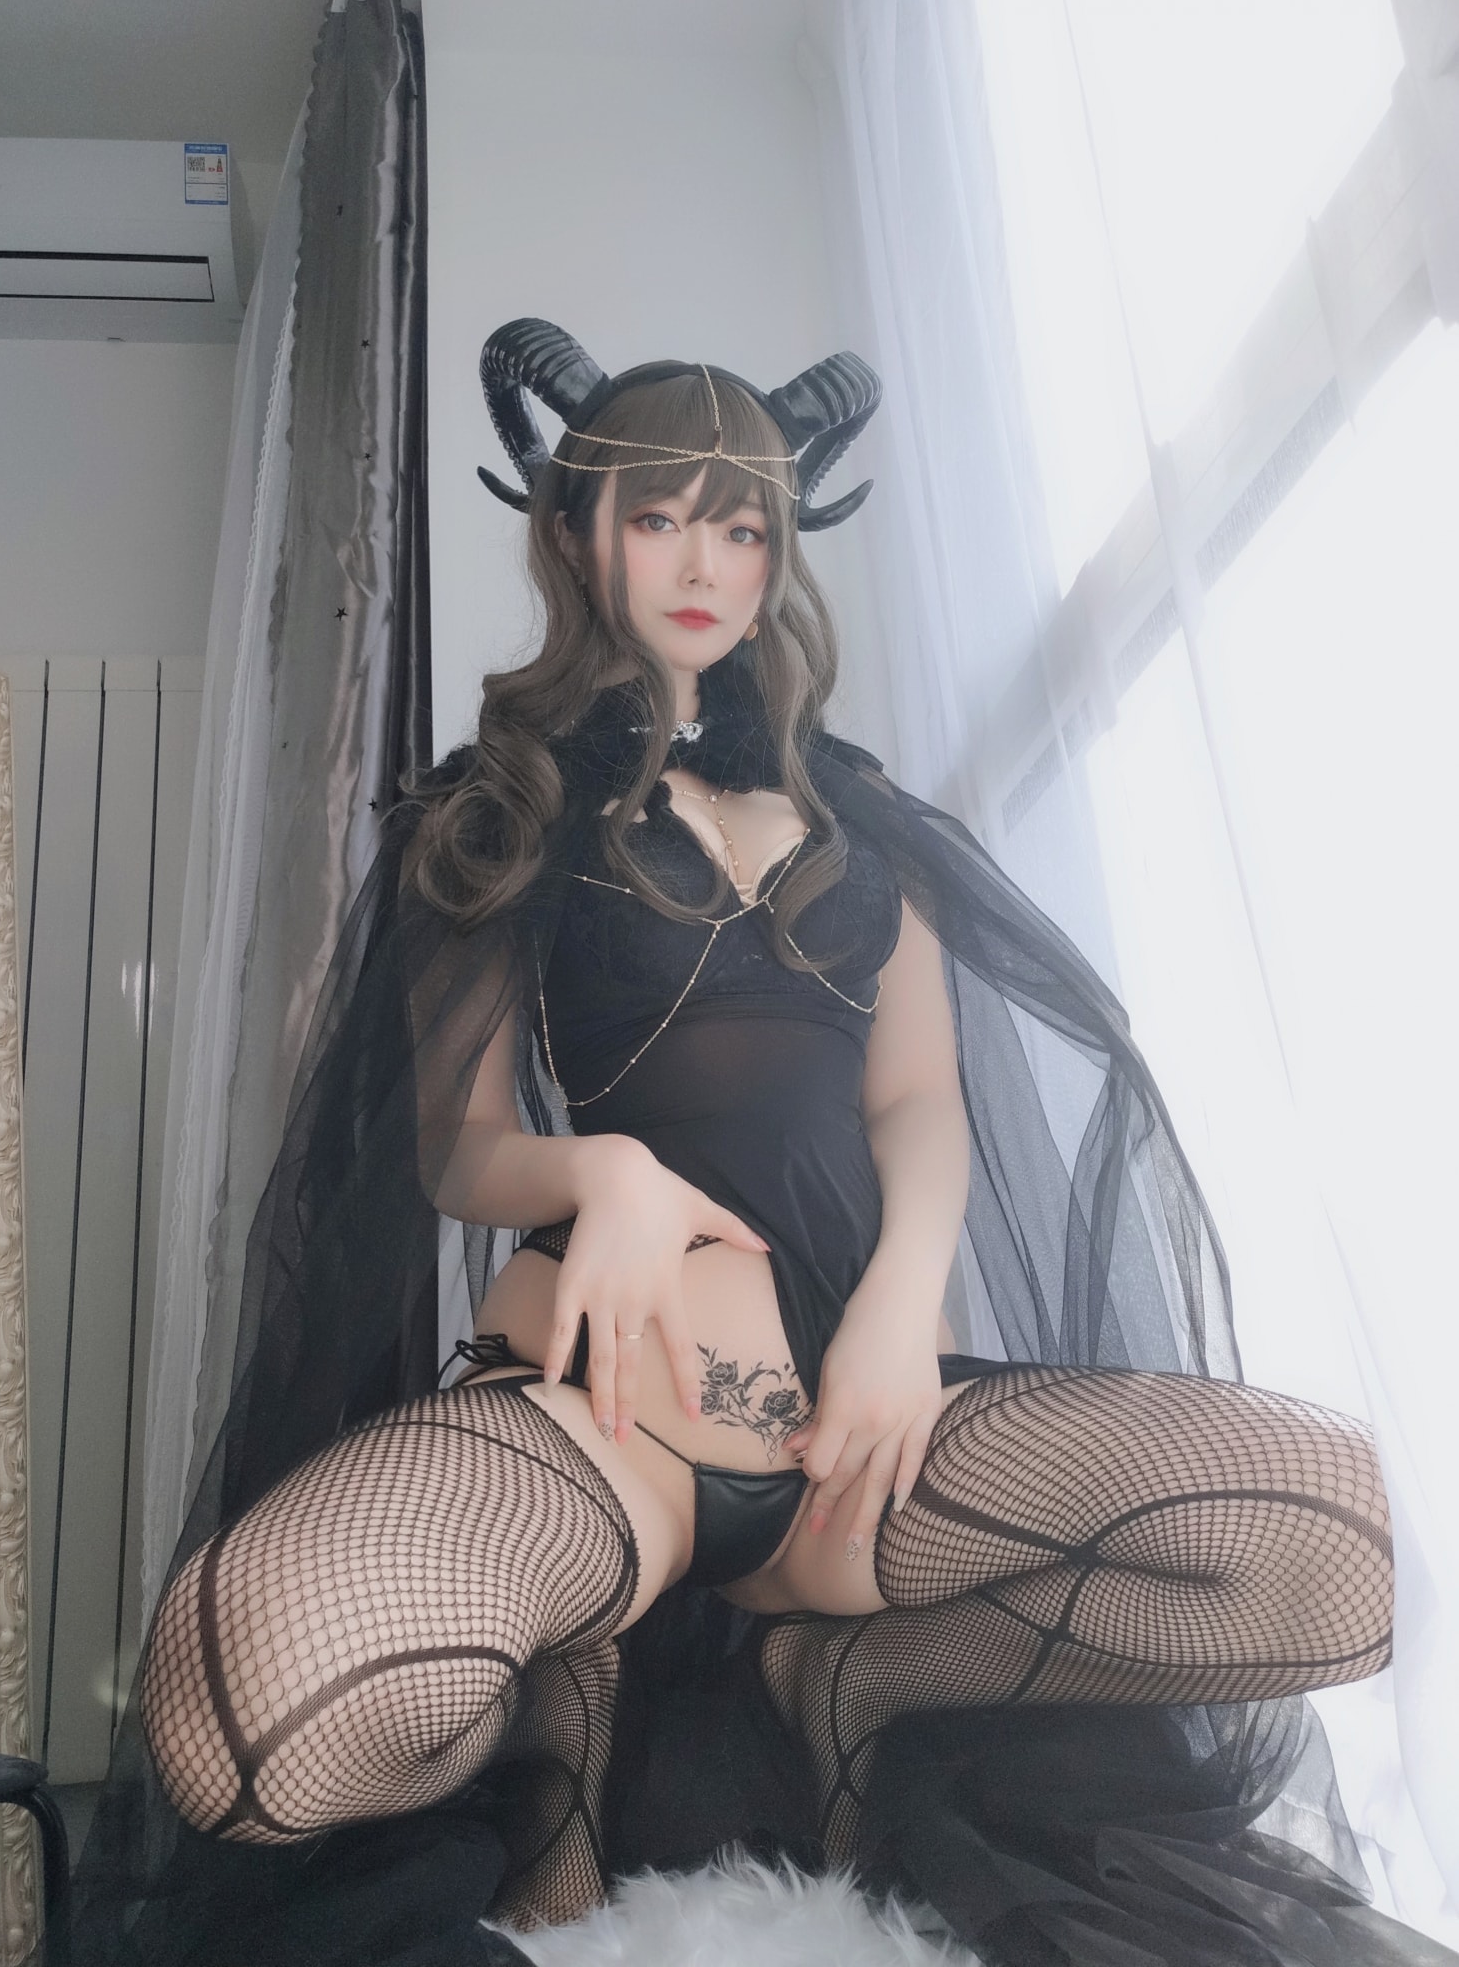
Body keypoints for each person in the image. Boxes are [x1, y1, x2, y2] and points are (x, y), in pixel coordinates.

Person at [71, 320, 1448, 1967]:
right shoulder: (498, 808)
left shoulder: (866, 818)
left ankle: (859, 1680)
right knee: (236, 1724)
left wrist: (901, 1314)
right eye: (660, 517)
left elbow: (916, 1103)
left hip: (866, 1439)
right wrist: (603, 1173)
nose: (702, 565)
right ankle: (551, 1711)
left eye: (741, 526)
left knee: (1342, 1553)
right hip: (613, 1420)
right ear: (578, 527)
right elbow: (458, 1144)